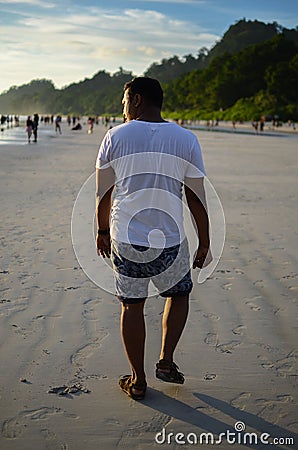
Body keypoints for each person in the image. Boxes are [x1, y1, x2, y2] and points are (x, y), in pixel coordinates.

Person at [95, 77, 211, 401]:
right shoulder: (186, 138)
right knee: (179, 295)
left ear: (137, 99)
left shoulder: (114, 137)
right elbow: (195, 196)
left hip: (127, 237)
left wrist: (102, 231)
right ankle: (166, 360)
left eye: (124, 100)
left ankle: (137, 379)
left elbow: (104, 191)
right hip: (170, 239)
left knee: (132, 306)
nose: (122, 107)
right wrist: (205, 240)